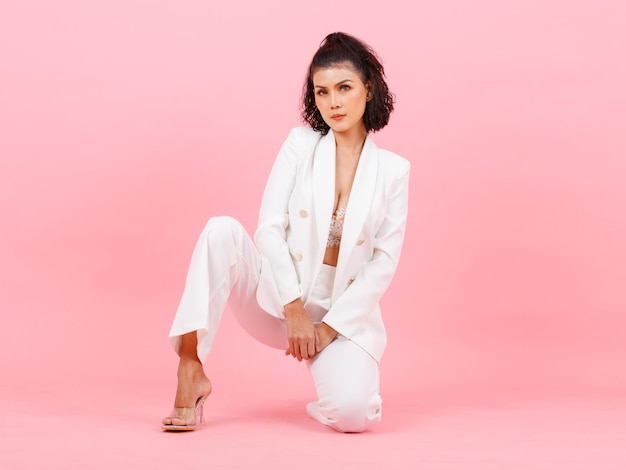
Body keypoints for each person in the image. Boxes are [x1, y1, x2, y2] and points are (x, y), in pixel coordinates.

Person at [161, 32, 410, 433]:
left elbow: (383, 262)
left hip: (338, 319)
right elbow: (270, 228)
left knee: (355, 416)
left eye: (344, 88)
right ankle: (190, 369)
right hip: (276, 306)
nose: (333, 102)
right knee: (220, 231)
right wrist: (293, 307)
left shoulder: (394, 172)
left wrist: (328, 328)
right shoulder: (300, 145)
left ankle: (328, 394)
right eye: (322, 91)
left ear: (368, 89)